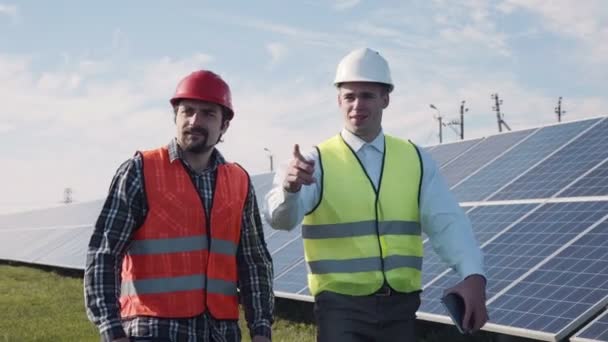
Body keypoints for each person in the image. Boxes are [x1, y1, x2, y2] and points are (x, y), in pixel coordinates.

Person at [265, 48, 488, 341]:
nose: (357, 104)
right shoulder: (314, 162)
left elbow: (448, 222)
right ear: (338, 101)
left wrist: (473, 275)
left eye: (367, 95)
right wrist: (289, 189)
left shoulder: (415, 159)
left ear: (386, 99)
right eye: (349, 96)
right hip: (340, 309)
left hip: (402, 307)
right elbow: (279, 219)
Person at [85, 70, 274, 342]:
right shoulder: (140, 171)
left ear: (224, 126)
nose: (195, 121)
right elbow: (104, 252)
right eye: (188, 111)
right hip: (153, 331)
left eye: (208, 113)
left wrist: (261, 329)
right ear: (176, 116)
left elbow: (254, 261)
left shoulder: (238, 181)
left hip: (220, 333)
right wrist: (112, 331)